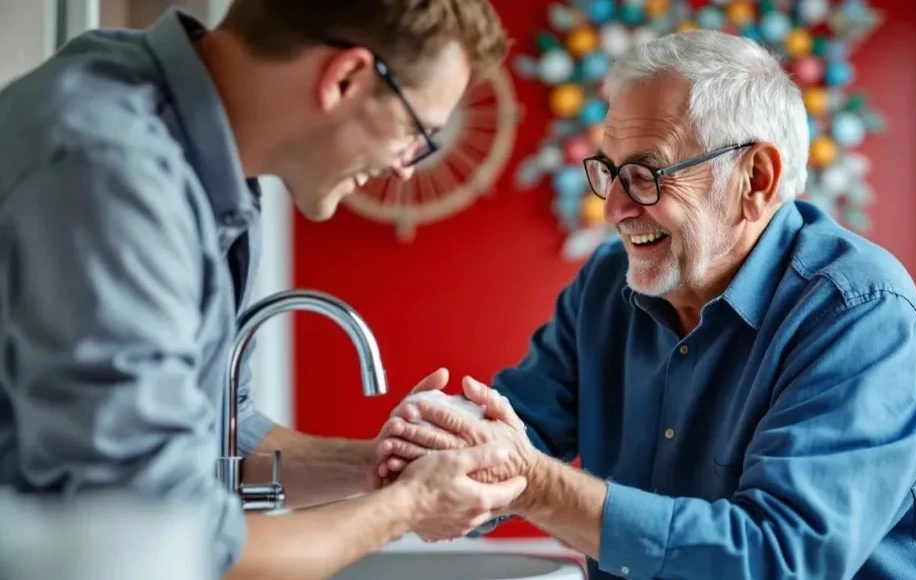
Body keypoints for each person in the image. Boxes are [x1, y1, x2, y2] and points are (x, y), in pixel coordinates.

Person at [372, 30, 916, 579]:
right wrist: (446, 444)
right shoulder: (605, 286)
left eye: (646, 174)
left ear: (755, 179)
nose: (614, 208)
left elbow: (781, 557)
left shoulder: (858, 310)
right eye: (608, 172)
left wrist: (535, 483)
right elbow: (524, 425)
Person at [0, 1, 528, 578]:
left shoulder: (210, 158)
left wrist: (385, 465)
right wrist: (411, 504)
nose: (405, 167)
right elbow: (158, 538)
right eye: (415, 133)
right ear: (346, 79)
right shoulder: (112, 180)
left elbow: (223, 433)